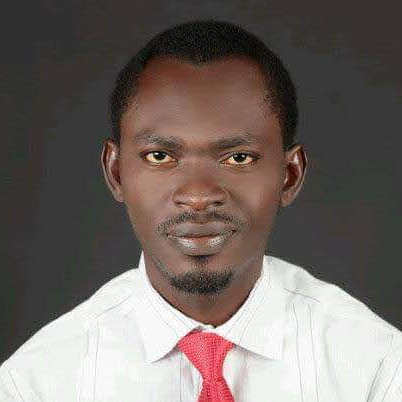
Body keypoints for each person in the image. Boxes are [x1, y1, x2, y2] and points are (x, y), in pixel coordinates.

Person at [1, 19, 401, 402]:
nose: (197, 196)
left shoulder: (377, 368)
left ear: (289, 176)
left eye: (239, 158)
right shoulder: (35, 386)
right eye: (159, 156)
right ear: (116, 172)